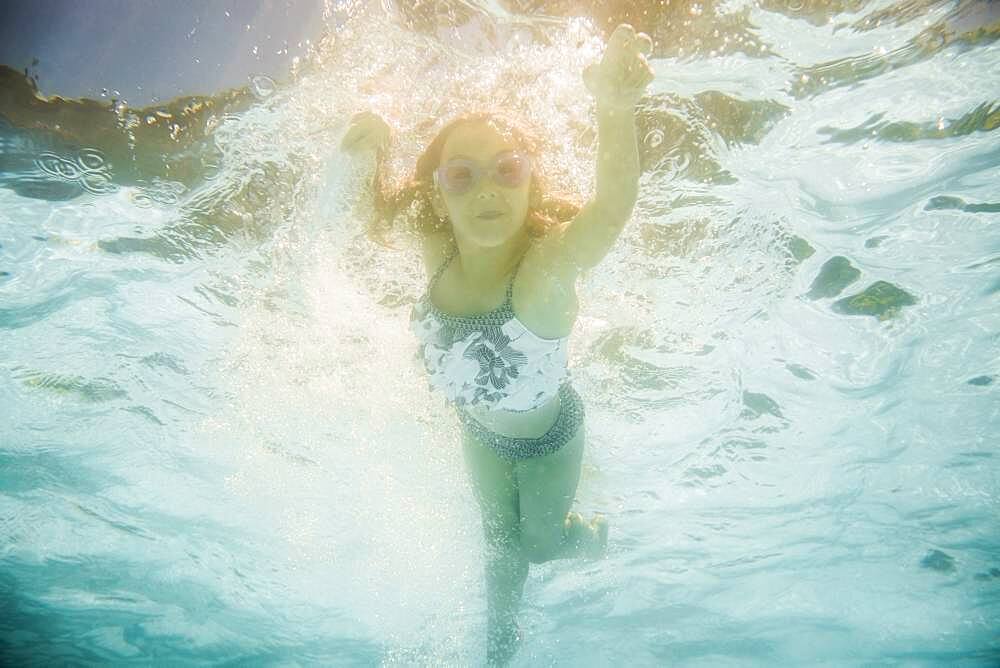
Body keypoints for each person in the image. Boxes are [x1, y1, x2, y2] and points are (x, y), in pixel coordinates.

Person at [341, 23, 653, 666]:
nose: (487, 189)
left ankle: (589, 539)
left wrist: (613, 109)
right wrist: (371, 147)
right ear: (441, 193)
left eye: (507, 171)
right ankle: (497, 659)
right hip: (479, 434)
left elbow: (610, 211)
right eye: (463, 175)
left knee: (537, 546)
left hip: (547, 440)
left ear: (530, 184)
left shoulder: (541, 276)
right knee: (499, 556)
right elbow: (376, 210)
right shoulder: (438, 253)